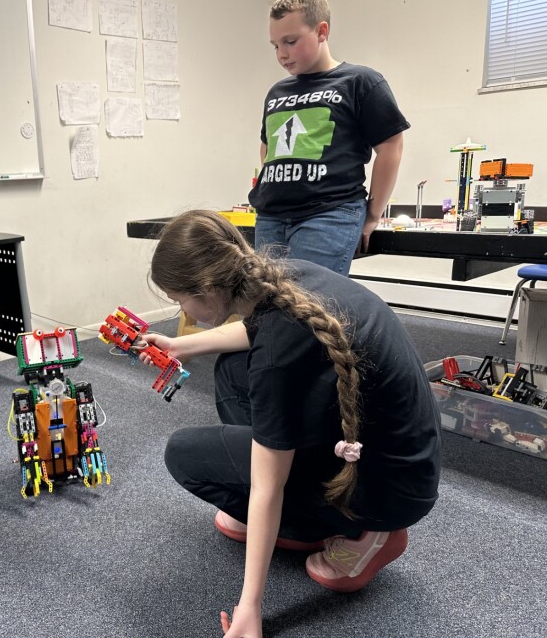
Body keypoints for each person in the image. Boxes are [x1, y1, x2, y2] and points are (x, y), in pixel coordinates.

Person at [141, 210, 441, 637]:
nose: (180, 309)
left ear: (207, 289)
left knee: (184, 453)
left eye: (179, 300)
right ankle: (309, 516)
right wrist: (179, 345)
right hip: (403, 461)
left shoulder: (278, 356)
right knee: (230, 370)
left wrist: (250, 609)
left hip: (386, 494)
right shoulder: (285, 279)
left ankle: (362, 533)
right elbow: (253, 332)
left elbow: (267, 488)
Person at [248, 0, 409, 276]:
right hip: (272, 215)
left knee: (311, 306)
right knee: (268, 302)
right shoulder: (277, 91)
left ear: (321, 31)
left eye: (291, 41)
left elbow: (391, 146)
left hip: (328, 213)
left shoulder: (360, 81)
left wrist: (373, 213)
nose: (282, 54)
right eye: (275, 45)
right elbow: (267, 145)